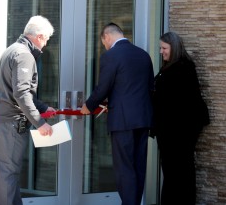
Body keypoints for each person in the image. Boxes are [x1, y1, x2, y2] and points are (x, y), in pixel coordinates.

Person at [80, 23, 154, 205]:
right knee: (138, 167)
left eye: (103, 42)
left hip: (122, 121)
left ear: (107, 37)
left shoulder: (111, 55)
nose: (104, 45)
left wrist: (89, 105)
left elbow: (103, 87)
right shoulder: (144, 55)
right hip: (143, 119)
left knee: (124, 168)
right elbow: (147, 88)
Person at [0, 15, 55, 205]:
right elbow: (21, 93)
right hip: (13, 121)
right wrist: (40, 122)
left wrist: (43, 107)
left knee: (8, 171)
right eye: (47, 40)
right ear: (40, 36)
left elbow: (16, 90)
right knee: (10, 172)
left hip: (4, 118)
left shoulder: (11, 50)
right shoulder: (24, 55)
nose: (45, 45)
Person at [152, 32, 209, 205]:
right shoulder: (171, 66)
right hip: (172, 132)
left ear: (174, 48)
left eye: (164, 48)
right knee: (175, 174)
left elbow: (183, 103)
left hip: (179, 134)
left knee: (178, 175)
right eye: (161, 48)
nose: (161, 52)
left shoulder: (183, 68)